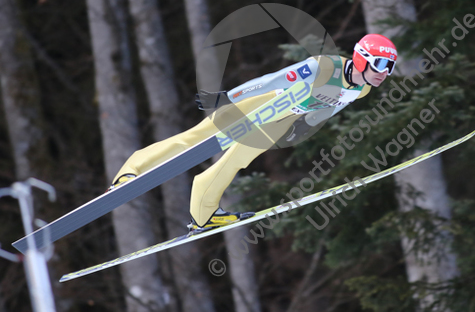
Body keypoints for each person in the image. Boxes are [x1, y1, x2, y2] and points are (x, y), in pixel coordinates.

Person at [108, 34, 398, 234]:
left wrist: (307, 124)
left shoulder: (363, 89)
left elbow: (331, 108)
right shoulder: (324, 66)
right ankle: (131, 170)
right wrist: (228, 97)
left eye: (390, 67)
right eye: (381, 64)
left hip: (283, 120)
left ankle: (203, 215)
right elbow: (272, 80)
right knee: (195, 139)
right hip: (262, 103)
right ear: (361, 58)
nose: (384, 73)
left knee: (236, 161)